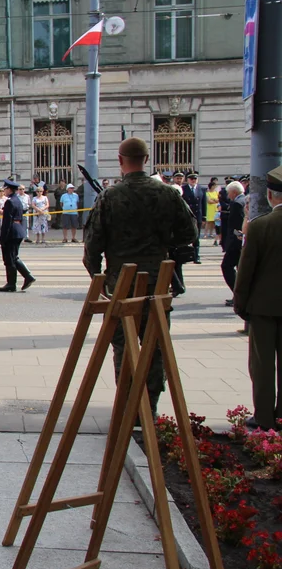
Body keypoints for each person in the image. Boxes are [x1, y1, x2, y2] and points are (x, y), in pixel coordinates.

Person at [83, 138, 197, 416]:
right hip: (157, 282)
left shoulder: (110, 197)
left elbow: (92, 245)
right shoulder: (168, 194)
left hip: (122, 282)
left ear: (121, 160)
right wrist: (161, 241)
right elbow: (189, 234)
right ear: (146, 160)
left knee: (123, 345)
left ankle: (126, 407)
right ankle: (150, 408)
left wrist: (98, 278)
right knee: (155, 345)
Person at [233, 165, 282, 431]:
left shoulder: (260, 226)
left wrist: (240, 303)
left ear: (272, 196)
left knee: (262, 364)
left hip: (263, 306)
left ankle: (264, 416)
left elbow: (246, 269)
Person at [0, 180, 35, 293]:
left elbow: (7, 221)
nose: (4, 191)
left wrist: (2, 237)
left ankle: (11, 283)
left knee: (9, 259)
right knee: (13, 257)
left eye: (5, 189)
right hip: (18, 231)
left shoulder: (9, 202)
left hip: (12, 233)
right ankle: (27, 276)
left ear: (9, 189)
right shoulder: (17, 200)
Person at [222, 181, 247, 306]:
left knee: (226, 266)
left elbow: (236, 225)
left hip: (236, 242)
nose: (228, 195)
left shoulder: (237, 203)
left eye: (229, 192)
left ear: (234, 192)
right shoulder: (244, 200)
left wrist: (230, 243)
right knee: (239, 269)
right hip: (241, 241)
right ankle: (240, 295)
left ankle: (238, 295)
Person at [182, 173, 206, 263]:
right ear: (187, 179)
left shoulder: (201, 189)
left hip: (197, 216)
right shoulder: (184, 189)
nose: (193, 180)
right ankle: (185, 255)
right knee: (185, 237)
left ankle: (196, 256)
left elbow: (204, 204)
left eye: (195, 179)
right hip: (187, 216)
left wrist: (204, 217)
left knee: (196, 237)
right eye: (191, 179)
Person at [205, 179, 220, 245]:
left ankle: (211, 233)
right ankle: (206, 233)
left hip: (215, 208)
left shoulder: (216, 192)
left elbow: (218, 200)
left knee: (213, 222)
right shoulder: (207, 193)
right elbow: (209, 201)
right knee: (208, 222)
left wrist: (214, 200)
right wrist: (214, 200)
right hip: (209, 208)